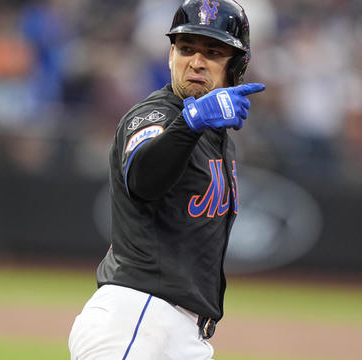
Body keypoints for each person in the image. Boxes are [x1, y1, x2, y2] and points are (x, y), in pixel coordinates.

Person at [68, 1, 264, 359]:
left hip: (184, 333)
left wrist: (197, 125)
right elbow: (144, 179)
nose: (197, 61)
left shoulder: (217, 138)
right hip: (137, 317)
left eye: (214, 52)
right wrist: (190, 124)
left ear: (237, 65)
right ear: (171, 55)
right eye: (186, 48)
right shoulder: (155, 114)